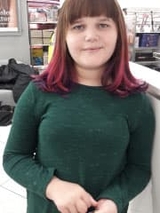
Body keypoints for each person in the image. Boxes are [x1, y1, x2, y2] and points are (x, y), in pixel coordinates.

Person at [3, 0, 155, 213]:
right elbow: (14, 157)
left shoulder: (136, 101)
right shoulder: (39, 91)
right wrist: (53, 187)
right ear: (63, 35)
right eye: (78, 26)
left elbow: (138, 169)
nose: (91, 36)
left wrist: (113, 200)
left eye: (102, 25)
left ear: (119, 32)